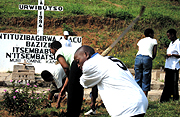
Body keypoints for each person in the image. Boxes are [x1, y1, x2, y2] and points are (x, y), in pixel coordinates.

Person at [74, 45, 148, 117]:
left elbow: (85, 83)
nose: (78, 65)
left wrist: (83, 72)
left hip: (127, 107)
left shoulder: (90, 64)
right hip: (139, 101)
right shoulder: (109, 59)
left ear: (86, 54)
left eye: (78, 61)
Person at [50, 41, 83, 117]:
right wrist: (63, 88)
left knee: (72, 92)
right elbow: (68, 74)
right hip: (82, 63)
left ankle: (70, 113)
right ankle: (76, 112)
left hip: (76, 63)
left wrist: (70, 78)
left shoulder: (58, 53)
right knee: (78, 90)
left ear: (54, 49)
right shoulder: (67, 50)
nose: (51, 52)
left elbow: (66, 67)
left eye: (50, 49)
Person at [134, 28, 158, 97]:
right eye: (153, 33)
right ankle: (144, 97)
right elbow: (154, 52)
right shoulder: (154, 41)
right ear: (150, 34)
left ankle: (137, 96)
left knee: (138, 77)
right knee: (146, 77)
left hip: (138, 58)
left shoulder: (141, 41)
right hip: (147, 58)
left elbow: (139, 50)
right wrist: (151, 58)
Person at [160, 29, 180, 102]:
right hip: (169, 65)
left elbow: (179, 54)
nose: (168, 38)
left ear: (173, 35)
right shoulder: (171, 43)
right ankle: (166, 98)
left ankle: (175, 98)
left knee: (174, 83)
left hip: (174, 66)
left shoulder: (178, 43)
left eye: (169, 36)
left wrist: (172, 55)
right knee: (167, 83)